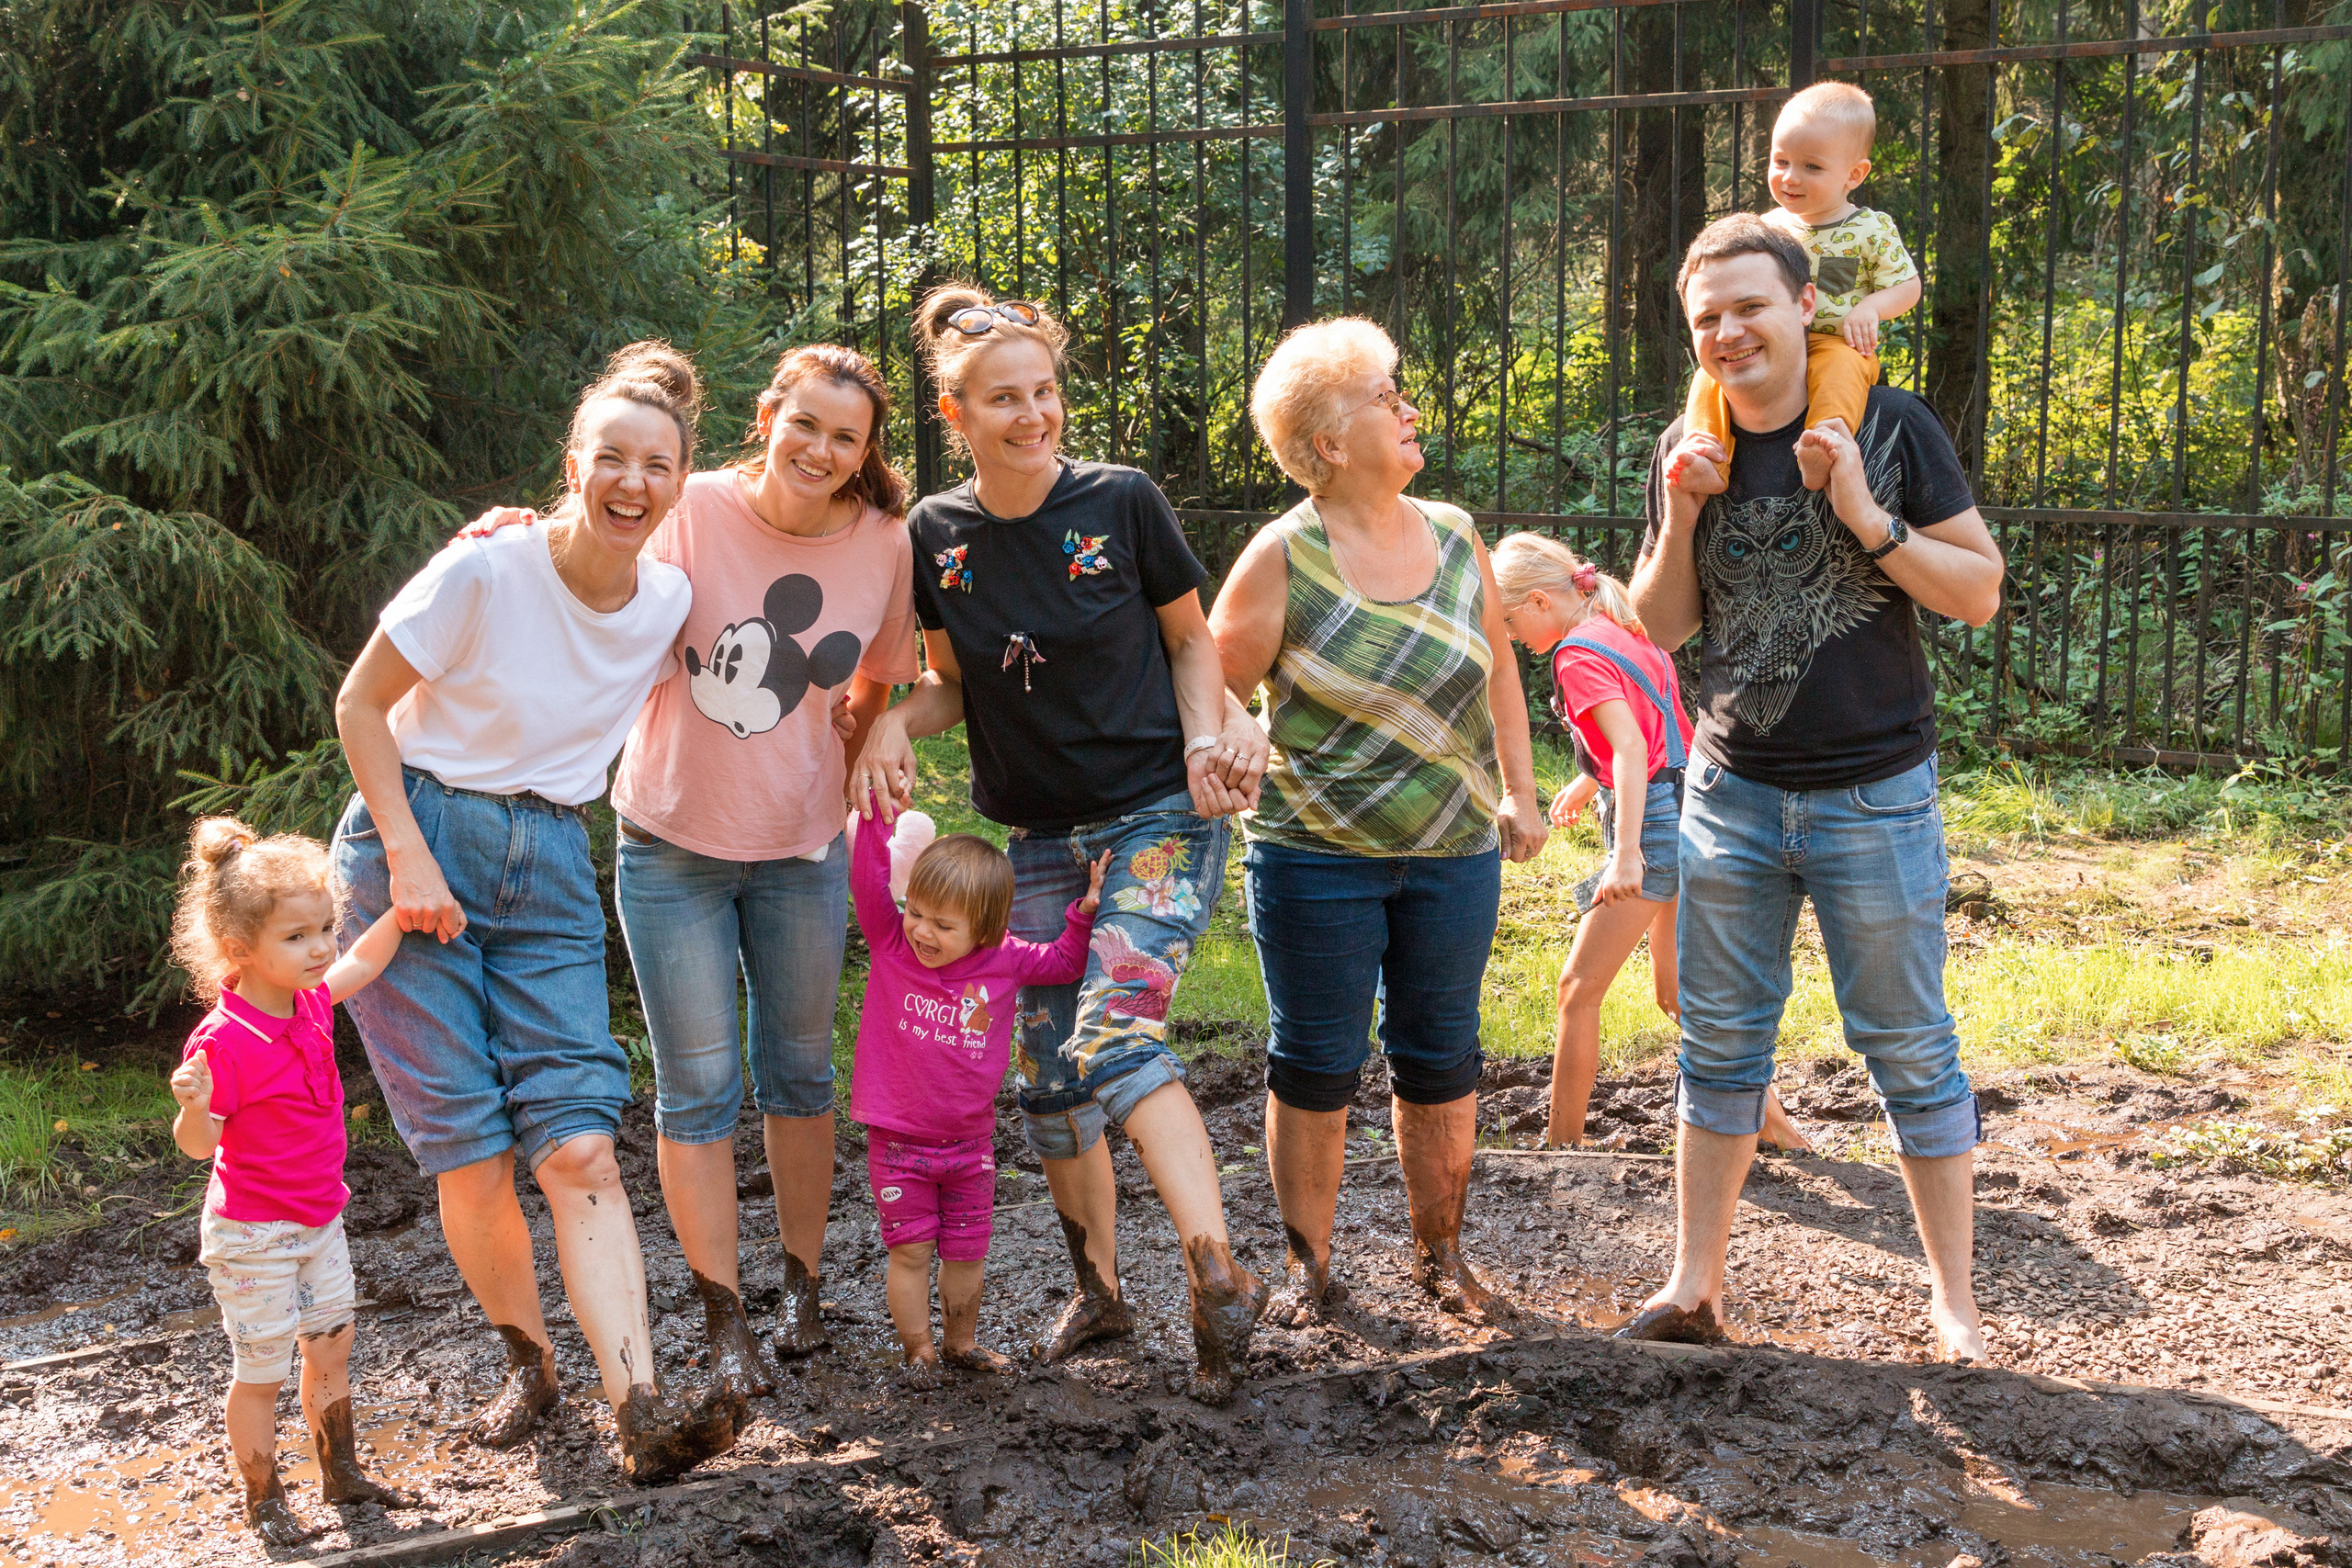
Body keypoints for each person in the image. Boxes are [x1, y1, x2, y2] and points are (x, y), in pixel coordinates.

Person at [458, 344, 921, 1380]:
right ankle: (724, 1320)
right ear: (769, 417)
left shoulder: (886, 541)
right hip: (671, 847)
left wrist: (863, 748)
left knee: (800, 1076)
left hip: (801, 848)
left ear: (863, 453)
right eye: (805, 425)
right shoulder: (694, 506)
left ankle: (801, 1287)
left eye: (846, 438)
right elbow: (592, 548)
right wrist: (514, 534)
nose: (821, 449)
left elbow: (878, 682)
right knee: (698, 1088)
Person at [848, 283, 1272, 1405]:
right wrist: (895, 714)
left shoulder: (1122, 502)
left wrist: (1200, 745)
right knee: (1043, 1080)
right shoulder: (937, 534)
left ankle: (1214, 1271)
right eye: (1002, 399)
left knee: (1117, 1032)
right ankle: (1099, 1290)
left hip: (1154, 814)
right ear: (956, 410)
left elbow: (1192, 644)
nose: (1031, 415)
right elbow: (950, 684)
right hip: (1032, 835)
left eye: (1044, 392)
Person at [331, 341, 745, 1482]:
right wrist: (411, 860)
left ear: (679, 480)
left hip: (552, 861)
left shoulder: (667, 598)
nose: (632, 482)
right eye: (610, 458)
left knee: (576, 1144)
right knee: (471, 1154)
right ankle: (530, 1363)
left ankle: (642, 1406)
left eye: (655, 465)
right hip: (414, 842)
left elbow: (756, 654)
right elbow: (360, 704)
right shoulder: (484, 569)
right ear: (573, 463)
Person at [1625, 214, 2005, 1360]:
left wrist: (1864, 519)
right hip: (1730, 793)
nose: (1729, 333)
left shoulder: (1888, 427)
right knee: (1719, 1048)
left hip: (1873, 796)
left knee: (1907, 1045)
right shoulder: (1685, 446)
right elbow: (1660, 627)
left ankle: (1953, 1306)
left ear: (1803, 305)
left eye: (1748, 306)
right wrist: (1685, 512)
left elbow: (1977, 591)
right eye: (1706, 319)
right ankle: (1694, 1291)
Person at [1209, 317, 1548, 1326]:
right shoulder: (1282, 556)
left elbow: (1500, 678)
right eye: (1384, 397)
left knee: (1442, 1051)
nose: (1408, 408)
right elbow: (1211, 691)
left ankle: (1441, 1258)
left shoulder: (1453, 532)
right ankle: (1310, 1270)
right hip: (1316, 859)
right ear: (1324, 442)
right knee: (1315, 1062)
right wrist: (1238, 740)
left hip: (1452, 853)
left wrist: (1520, 795)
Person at [1493, 536, 1811, 1155]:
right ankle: (1775, 1123)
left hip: (1656, 829)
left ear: (1537, 601)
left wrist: (1626, 852)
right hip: (1695, 805)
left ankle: (1561, 1148)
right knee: (1677, 994)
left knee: (1577, 989)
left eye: (1507, 620)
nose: (1508, 636)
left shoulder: (1574, 655)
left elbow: (1634, 748)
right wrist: (1591, 780)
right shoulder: (1623, 627)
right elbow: (1657, 726)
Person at [165, 818, 419, 1546]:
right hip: (253, 1235)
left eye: (324, 929)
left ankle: (340, 1469)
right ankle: (264, 1496)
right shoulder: (224, 1042)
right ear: (241, 949)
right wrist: (190, 1106)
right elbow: (199, 1146)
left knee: (332, 1345)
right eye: (297, 936)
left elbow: (361, 966)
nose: (319, 948)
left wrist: (401, 912)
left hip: (319, 1220)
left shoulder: (307, 1000)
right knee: (263, 1369)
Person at [848, 796, 1108, 1382]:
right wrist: (875, 814)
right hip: (898, 1145)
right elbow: (867, 881)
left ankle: (961, 1343)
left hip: (970, 1147)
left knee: (967, 1252)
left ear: (985, 929)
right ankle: (919, 1351)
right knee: (911, 1251)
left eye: (944, 925)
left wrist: (1084, 910)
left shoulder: (1005, 959)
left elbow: (1066, 962)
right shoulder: (893, 945)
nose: (922, 931)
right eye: (916, 911)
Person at [1682, 81, 1921, 485]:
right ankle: (1705, 455)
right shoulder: (1768, 228)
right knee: (1710, 374)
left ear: (1854, 174)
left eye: (1812, 167)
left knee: (1842, 371)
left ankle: (1825, 447)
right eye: (1781, 162)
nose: (1790, 178)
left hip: (1837, 342)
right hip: (1773, 344)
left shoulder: (1870, 229)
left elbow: (1908, 285)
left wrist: (1871, 308)